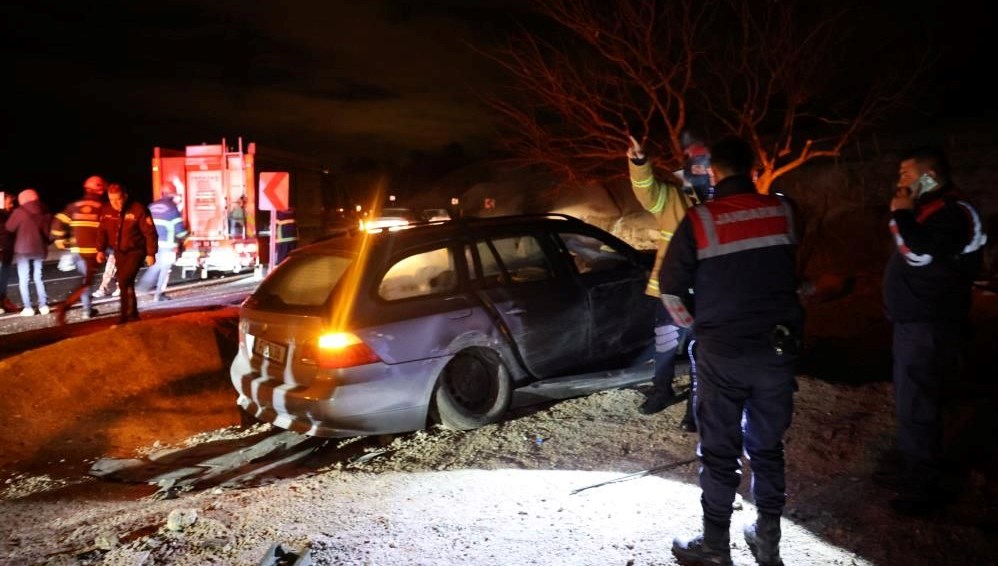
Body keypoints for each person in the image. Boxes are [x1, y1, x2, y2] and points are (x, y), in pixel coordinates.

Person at [660, 136, 803, 566]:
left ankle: (715, 547)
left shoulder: (701, 220)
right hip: (777, 348)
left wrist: (698, 326)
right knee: (767, 446)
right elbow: (791, 271)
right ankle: (767, 539)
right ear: (754, 169)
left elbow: (671, 292)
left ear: (712, 171)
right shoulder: (784, 211)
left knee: (720, 449)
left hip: (722, 351)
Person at [882, 145, 987, 516]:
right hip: (921, 323)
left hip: (929, 325)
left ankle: (922, 489)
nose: (900, 183)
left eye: (906, 175)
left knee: (918, 405)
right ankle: (920, 472)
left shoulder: (953, 213)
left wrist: (901, 214)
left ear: (930, 177)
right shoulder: (936, 211)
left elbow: (919, 253)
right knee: (920, 402)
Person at [627, 134, 712, 430]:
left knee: (701, 352)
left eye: (706, 165)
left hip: (708, 291)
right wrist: (639, 162)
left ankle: (694, 410)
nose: (701, 171)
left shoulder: (723, 204)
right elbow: (647, 191)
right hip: (670, 291)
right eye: (696, 165)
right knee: (664, 345)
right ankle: (661, 391)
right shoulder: (674, 197)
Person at [96, 183, 157, 324]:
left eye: (118, 199)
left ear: (125, 196)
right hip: (119, 251)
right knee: (125, 282)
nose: (115, 204)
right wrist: (100, 249)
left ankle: (125, 315)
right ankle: (133, 314)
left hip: (136, 250)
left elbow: (150, 233)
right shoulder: (106, 210)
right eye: (112, 200)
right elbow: (102, 231)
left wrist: (151, 253)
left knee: (124, 280)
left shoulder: (138, 209)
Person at [52, 175, 107, 324]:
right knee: (87, 282)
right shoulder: (102, 207)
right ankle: (65, 307)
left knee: (85, 281)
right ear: (101, 190)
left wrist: (60, 241)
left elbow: (58, 222)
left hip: (75, 251)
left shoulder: (74, 205)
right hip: (91, 253)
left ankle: (87, 309)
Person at [4, 189, 53, 316]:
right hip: (39, 249)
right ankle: (43, 306)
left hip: (22, 250)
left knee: (24, 279)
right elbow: (49, 234)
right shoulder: (45, 212)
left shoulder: (19, 212)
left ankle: (28, 307)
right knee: (39, 277)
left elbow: (9, 228)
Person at [138, 188, 188, 301]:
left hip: (153, 243)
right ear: (173, 196)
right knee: (164, 269)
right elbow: (179, 230)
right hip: (167, 245)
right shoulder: (172, 208)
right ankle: (157, 294)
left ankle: (143, 288)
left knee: (156, 266)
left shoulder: (152, 206)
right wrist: (186, 235)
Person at [0, 192, 19, 313]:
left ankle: (3, 301)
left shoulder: (8, 215)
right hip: (2, 251)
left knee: (4, 278)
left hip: (6, 251)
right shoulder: (3, 216)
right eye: (9, 202)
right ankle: (3, 302)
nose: (11, 205)